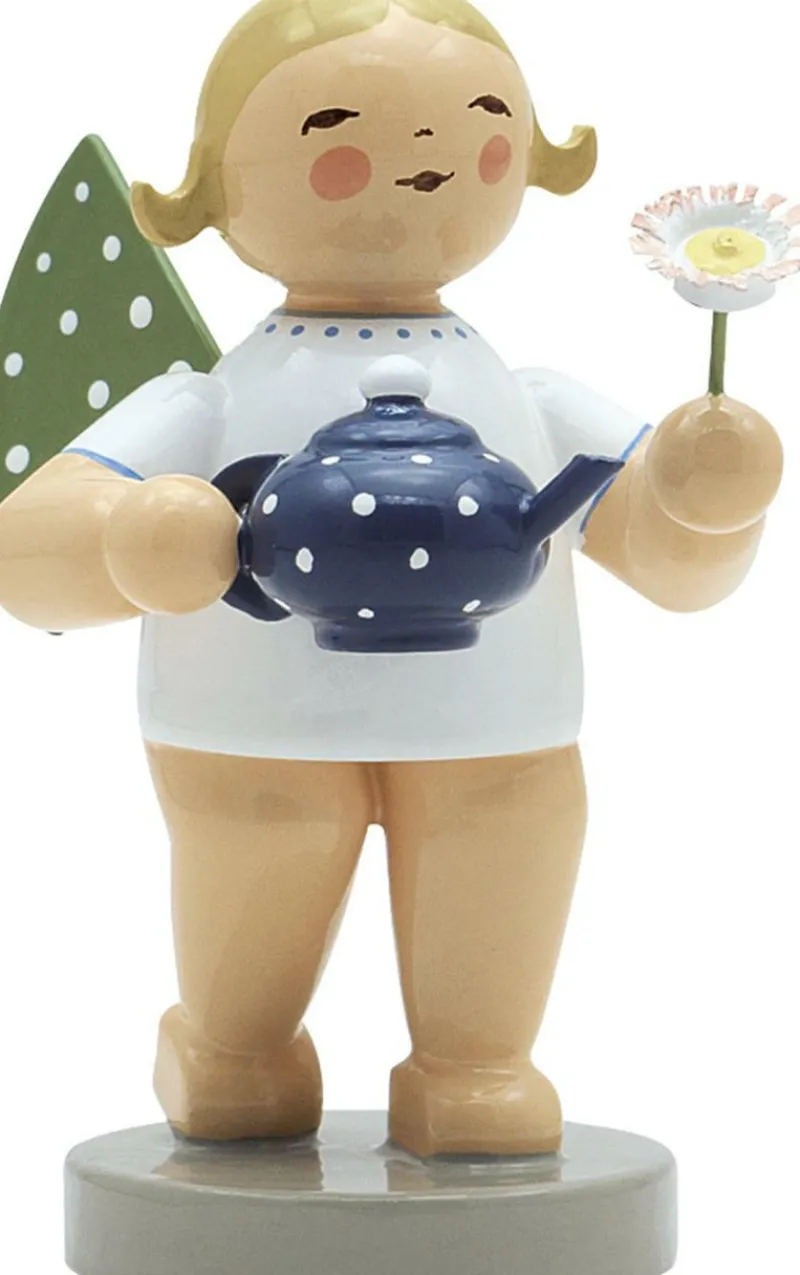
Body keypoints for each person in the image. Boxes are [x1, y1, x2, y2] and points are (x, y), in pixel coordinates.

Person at [0, 0, 783, 1158]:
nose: (423, 156)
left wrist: (703, 500)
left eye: (477, 124)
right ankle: (226, 1045)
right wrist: (128, 540)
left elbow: (667, 565)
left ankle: (475, 1064)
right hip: (250, 729)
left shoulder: (528, 394)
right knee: (263, 853)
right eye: (336, 131)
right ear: (214, 190)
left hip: (497, 736)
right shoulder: (207, 400)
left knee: (500, 848)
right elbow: (28, 550)